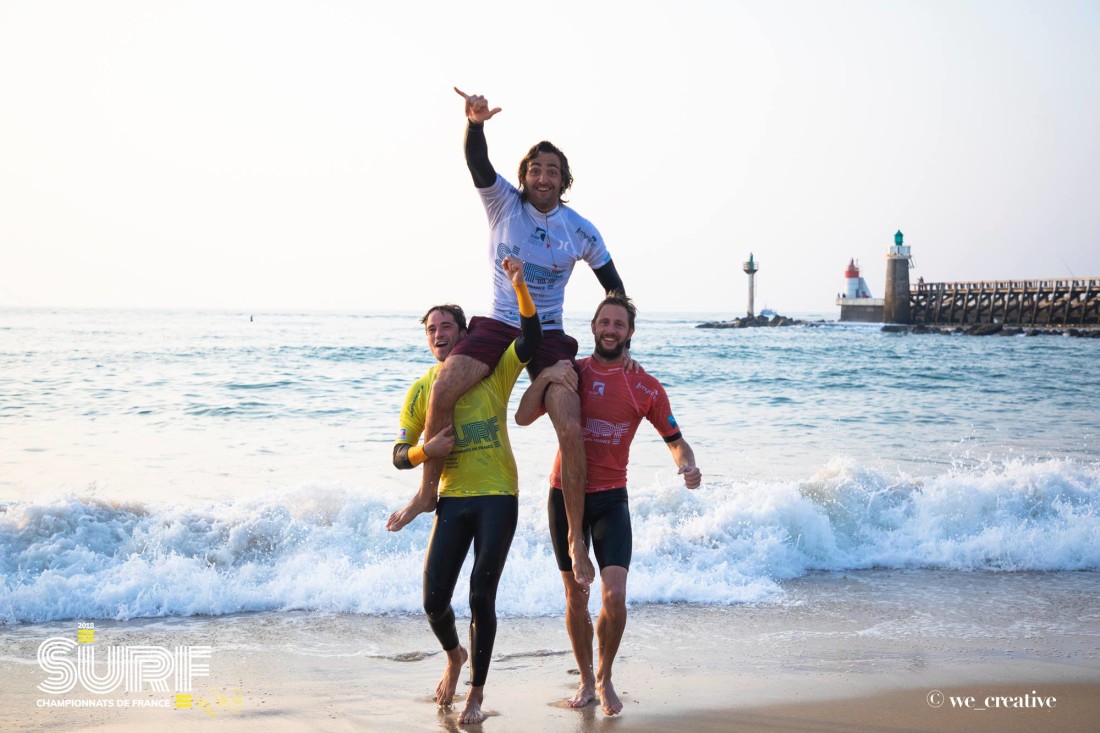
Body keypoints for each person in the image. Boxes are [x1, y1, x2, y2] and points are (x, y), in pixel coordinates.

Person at [387, 88, 627, 589]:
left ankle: (575, 538)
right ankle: (430, 491)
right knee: (445, 385)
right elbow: (477, 161)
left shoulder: (580, 230)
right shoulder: (502, 204)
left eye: (552, 172)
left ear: (564, 182)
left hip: (552, 331)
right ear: (524, 178)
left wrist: (619, 349)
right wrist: (475, 124)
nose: (543, 177)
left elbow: (615, 288)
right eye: (535, 170)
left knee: (569, 421)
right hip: (499, 320)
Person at [515, 295, 702, 716]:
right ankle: (584, 678)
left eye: (619, 324)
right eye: (605, 322)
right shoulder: (573, 373)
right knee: (576, 596)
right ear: (594, 327)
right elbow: (523, 416)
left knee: (614, 594)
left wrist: (688, 465)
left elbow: (676, 442)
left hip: (612, 497)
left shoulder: (645, 386)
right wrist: (546, 376)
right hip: (564, 494)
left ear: (629, 333)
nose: (611, 329)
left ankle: (604, 674)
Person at [389, 257, 539, 725]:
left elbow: (531, 340)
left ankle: (476, 690)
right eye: (431, 329)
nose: (438, 335)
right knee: (433, 600)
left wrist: (519, 288)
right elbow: (397, 452)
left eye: (446, 327)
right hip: (451, 498)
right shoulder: (421, 389)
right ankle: (455, 655)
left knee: (481, 595)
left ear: (463, 332)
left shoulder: (491, 370)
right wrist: (422, 451)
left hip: (497, 495)